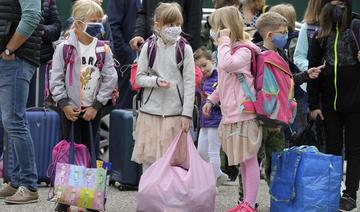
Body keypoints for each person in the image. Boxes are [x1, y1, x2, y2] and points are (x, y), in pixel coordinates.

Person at [49, 0, 118, 211]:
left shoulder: (103, 49)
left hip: (91, 110)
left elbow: (110, 78)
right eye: (92, 21)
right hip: (69, 110)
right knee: (69, 152)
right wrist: (64, 104)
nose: (98, 25)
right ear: (78, 24)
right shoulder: (64, 48)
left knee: (91, 151)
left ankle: (92, 199)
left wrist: (96, 106)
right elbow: (56, 78)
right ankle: (65, 200)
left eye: (100, 21)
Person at [203, 6, 263, 212]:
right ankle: (246, 202)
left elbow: (228, 65)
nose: (213, 32)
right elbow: (224, 81)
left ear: (225, 28)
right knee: (243, 161)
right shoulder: (227, 51)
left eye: (216, 28)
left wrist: (224, 41)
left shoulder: (244, 50)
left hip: (245, 113)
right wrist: (212, 99)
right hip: (232, 114)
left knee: (249, 159)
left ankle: (250, 203)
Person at [254, 11, 322, 186]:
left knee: (276, 160)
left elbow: (288, 81)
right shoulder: (257, 55)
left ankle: (278, 197)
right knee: (253, 160)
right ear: (270, 34)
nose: (286, 36)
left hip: (280, 117)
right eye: (283, 33)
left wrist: (306, 75)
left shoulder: (282, 54)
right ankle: (245, 198)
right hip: (262, 117)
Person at [307, 1, 360, 211]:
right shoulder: (320, 36)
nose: (338, 9)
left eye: (341, 4)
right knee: (332, 149)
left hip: (356, 102)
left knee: (355, 150)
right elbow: (312, 70)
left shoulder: (357, 28)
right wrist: (313, 105)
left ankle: (350, 194)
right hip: (329, 104)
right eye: (333, 4)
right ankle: (333, 191)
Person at [131, 2, 195, 170]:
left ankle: (170, 196)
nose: (175, 28)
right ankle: (150, 195)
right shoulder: (148, 47)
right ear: (158, 24)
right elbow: (139, 78)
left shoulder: (185, 49)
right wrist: (156, 82)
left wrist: (187, 115)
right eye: (170, 24)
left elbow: (189, 84)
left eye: (178, 24)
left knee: (174, 162)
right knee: (150, 161)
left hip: (175, 115)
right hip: (150, 113)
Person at [0, 0, 41, 204]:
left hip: (15, 58)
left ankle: (29, 185)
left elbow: (32, 16)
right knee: (11, 122)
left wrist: (9, 49)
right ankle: (16, 182)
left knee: (14, 121)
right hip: (10, 58)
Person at [194, 47, 229, 187]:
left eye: (204, 65)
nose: (202, 69)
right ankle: (219, 175)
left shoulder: (220, 76)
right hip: (204, 120)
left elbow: (222, 96)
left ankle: (212, 184)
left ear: (212, 61)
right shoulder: (202, 80)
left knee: (213, 151)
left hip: (217, 120)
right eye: (199, 67)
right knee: (201, 151)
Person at [129, 0, 202, 51]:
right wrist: (139, 34)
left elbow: (195, 20)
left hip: (178, 50)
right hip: (152, 49)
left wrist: (188, 50)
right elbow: (143, 12)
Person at [27, 0, 61, 108]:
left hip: (41, 62)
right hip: (15, 58)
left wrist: (40, 30)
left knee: (38, 107)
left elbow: (56, 28)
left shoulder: (49, 1)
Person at [108, 0, 141, 109]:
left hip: (151, 62)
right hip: (127, 64)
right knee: (125, 110)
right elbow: (113, 26)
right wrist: (128, 55)